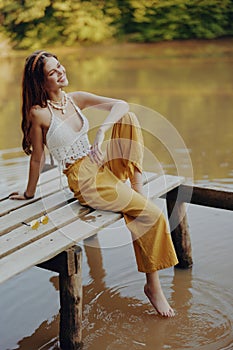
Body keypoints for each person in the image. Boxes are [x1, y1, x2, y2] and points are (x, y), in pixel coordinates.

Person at [9, 50, 178, 317]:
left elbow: (120, 104)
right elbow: (37, 158)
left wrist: (100, 131)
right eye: (52, 72)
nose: (61, 72)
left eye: (59, 66)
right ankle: (152, 287)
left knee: (128, 118)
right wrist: (29, 193)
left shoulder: (75, 99)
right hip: (83, 179)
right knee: (153, 215)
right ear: (41, 83)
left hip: (99, 161)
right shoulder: (39, 113)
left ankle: (137, 187)